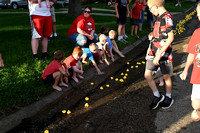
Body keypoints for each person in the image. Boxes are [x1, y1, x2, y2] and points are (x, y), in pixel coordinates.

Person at [144, 0, 174, 110]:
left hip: (163, 53)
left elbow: (170, 38)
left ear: (156, 6)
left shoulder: (167, 17)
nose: (150, 11)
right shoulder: (159, 17)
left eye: (150, 9)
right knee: (147, 75)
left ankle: (168, 97)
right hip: (153, 52)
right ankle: (157, 95)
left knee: (166, 76)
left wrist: (159, 54)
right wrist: (150, 49)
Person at [179, 3, 200, 122]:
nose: (197, 16)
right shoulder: (197, 33)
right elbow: (192, 53)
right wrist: (186, 70)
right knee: (196, 105)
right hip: (198, 76)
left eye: (198, 13)